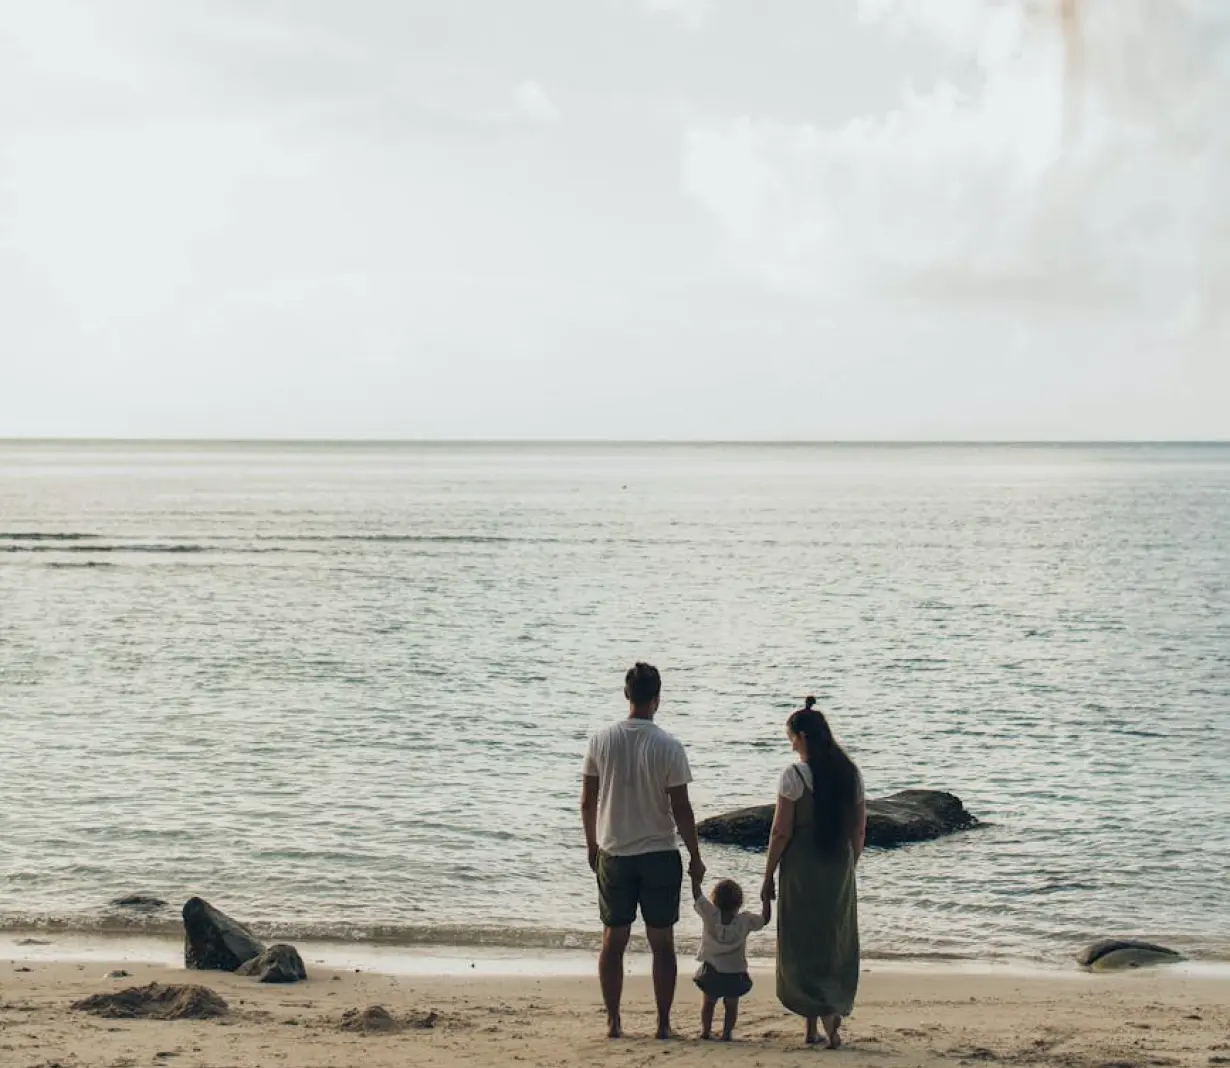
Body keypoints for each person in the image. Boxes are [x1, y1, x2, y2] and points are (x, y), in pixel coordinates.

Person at [581, 662, 705, 1039]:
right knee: (662, 942)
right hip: (659, 853)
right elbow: (681, 808)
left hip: (614, 852)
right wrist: (696, 856)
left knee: (612, 940)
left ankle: (613, 1020)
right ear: (657, 699)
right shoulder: (668, 745)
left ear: (626, 695)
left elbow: (588, 800)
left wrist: (591, 844)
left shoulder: (601, 739)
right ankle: (663, 1023)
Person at [760, 696, 866, 1049]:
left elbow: (781, 830)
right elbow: (859, 829)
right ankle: (829, 1021)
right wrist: (850, 865)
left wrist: (767, 874)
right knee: (834, 940)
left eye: (790, 737)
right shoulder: (850, 773)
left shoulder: (794, 776)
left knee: (802, 940)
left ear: (802, 736)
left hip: (801, 867)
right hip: (838, 864)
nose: (790, 744)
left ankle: (812, 1025)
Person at [691, 877, 769, 1041]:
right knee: (731, 1006)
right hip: (735, 971)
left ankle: (706, 1031)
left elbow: (697, 897)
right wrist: (766, 899)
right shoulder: (745, 920)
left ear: (715, 899)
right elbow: (764, 920)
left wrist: (695, 878)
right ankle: (727, 1033)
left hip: (712, 970)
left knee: (708, 1003)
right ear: (739, 902)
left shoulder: (710, 915)